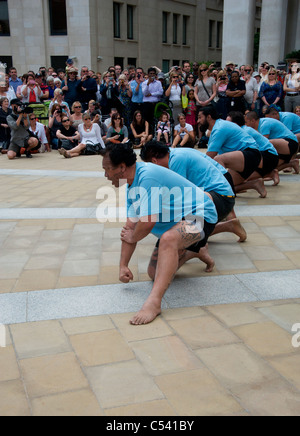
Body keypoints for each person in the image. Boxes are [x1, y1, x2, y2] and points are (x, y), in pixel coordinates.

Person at [102, 143, 218, 325]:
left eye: (107, 169)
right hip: (179, 222)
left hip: (202, 214)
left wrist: (133, 236)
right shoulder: (132, 187)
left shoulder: (148, 177)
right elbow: (130, 227)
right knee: (154, 273)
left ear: (122, 167)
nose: (106, 175)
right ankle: (196, 250)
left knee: (168, 240)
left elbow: (148, 222)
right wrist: (123, 265)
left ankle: (154, 303)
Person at [140, 141, 247, 243]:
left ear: (154, 161)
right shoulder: (174, 153)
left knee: (183, 214)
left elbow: (177, 196)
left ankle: (197, 248)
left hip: (221, 196)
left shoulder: (176, 160)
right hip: (220, 188)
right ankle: (228, 226)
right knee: (186, 222)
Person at [199, 106, 265, 197]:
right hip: (244, 159)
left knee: (218, 163)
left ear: (209, 117)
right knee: (225, 186)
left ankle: (225, 197)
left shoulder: (219, 129)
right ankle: (254, 184)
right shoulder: (218, 128)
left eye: (200, 117)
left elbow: (209, 157)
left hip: (251, 155)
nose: (198, 121)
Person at [227, 111, 280, 186]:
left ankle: (267, 174)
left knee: (237, 181)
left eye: (228, 123)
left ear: (235, 124)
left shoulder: (244, 131)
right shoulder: (242, 130)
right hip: (265, 156)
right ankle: (269, 173)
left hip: (268, 156)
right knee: (235, 180)